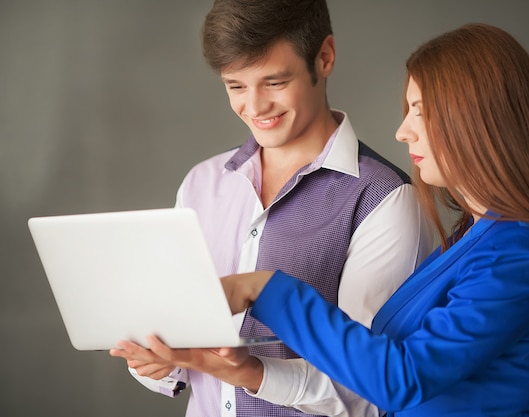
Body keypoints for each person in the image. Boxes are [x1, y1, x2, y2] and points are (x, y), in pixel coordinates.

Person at [141, 23, 529, 416]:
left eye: (422, 112)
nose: (404, 130)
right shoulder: (474, 236)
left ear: (479, 120)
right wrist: (245, 371)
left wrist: (264, 289)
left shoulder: (516, 252)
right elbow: (379, 372)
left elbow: (398, 378)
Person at [109, 1, 433, 416]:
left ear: (325, 57)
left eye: (275, 82)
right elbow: (181, 361)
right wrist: (155, 362)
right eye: (236, 86)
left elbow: (372, 390)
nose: (255, 107)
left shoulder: (383, 198)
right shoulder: (201, 184)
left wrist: (254, 373)